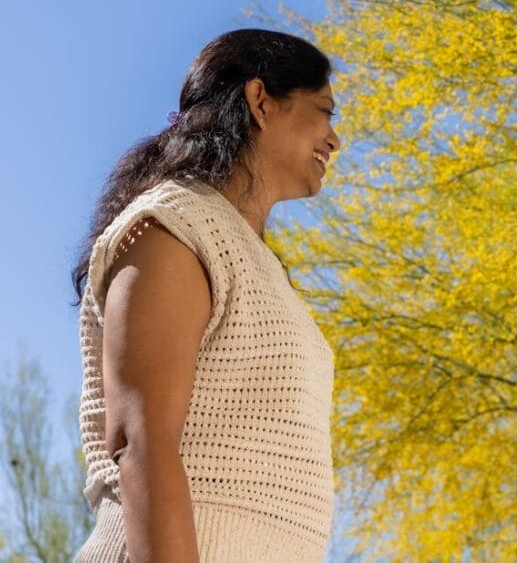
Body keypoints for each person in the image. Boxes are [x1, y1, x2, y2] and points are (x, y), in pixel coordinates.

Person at [71, 29, 341, 562]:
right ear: (260, 100)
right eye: (325, 110)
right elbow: (141, 442)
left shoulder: (259, 264)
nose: (335, 139)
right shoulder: (173, 225)